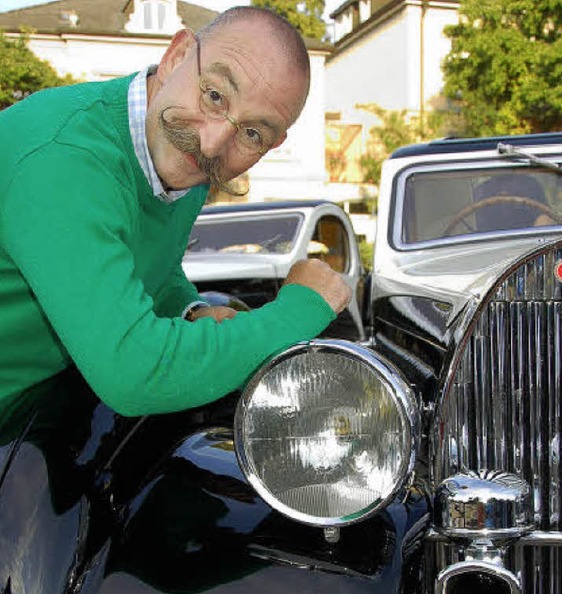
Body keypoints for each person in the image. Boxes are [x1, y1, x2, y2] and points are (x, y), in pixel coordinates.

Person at [0, 6, 351, 417]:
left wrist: (191, 310)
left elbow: (154, 268)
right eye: (215, 95)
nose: (213, 142)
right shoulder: (64, 158)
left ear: (273, 145)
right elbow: (133, 373)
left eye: (253, 133)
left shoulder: (176, 151)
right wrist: (303, 307)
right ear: (176, 56)